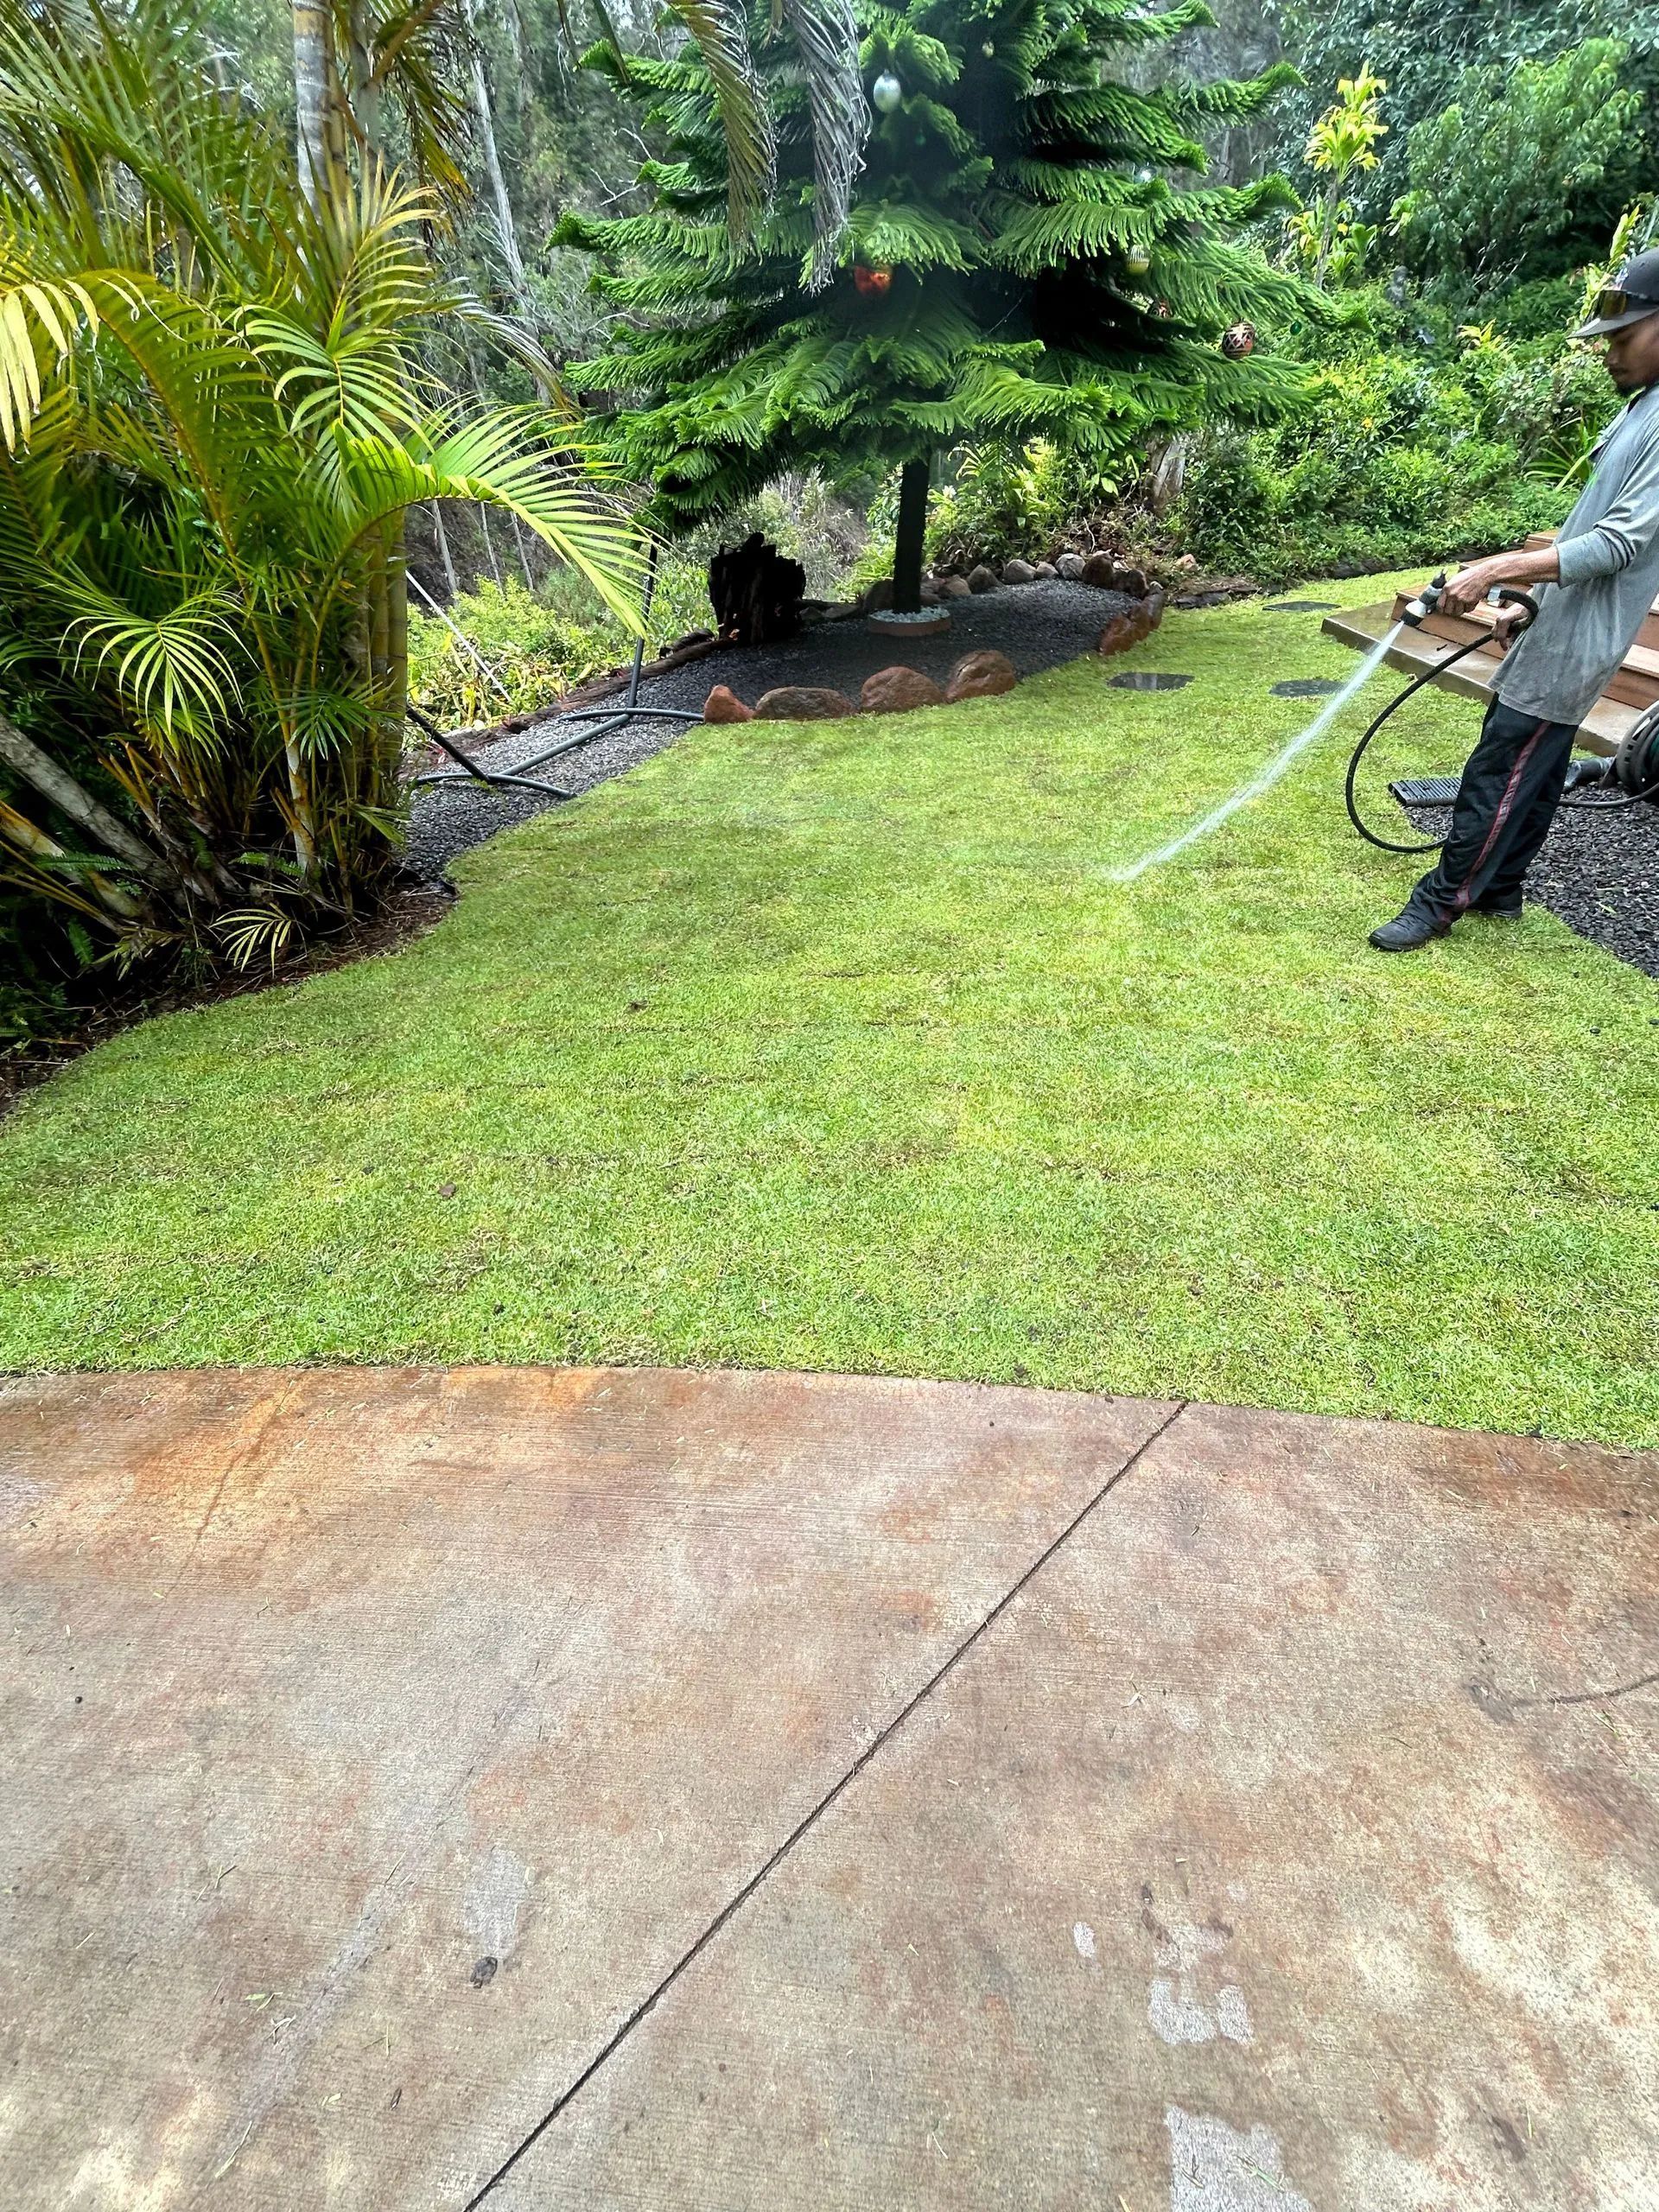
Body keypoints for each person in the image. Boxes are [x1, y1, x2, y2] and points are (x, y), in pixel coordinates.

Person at [1370, 251, 1659, 950]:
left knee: (1498, 770)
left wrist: (1500, 567)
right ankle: (1501, 888)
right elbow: (1591, 532)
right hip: (1562, 629)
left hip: (1581, 643)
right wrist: (1529, 601)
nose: (1608, 354)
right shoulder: (1642, 409)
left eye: (1623, 338)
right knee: (1538, 762)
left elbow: (1618, 545)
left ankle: (1440, 903)